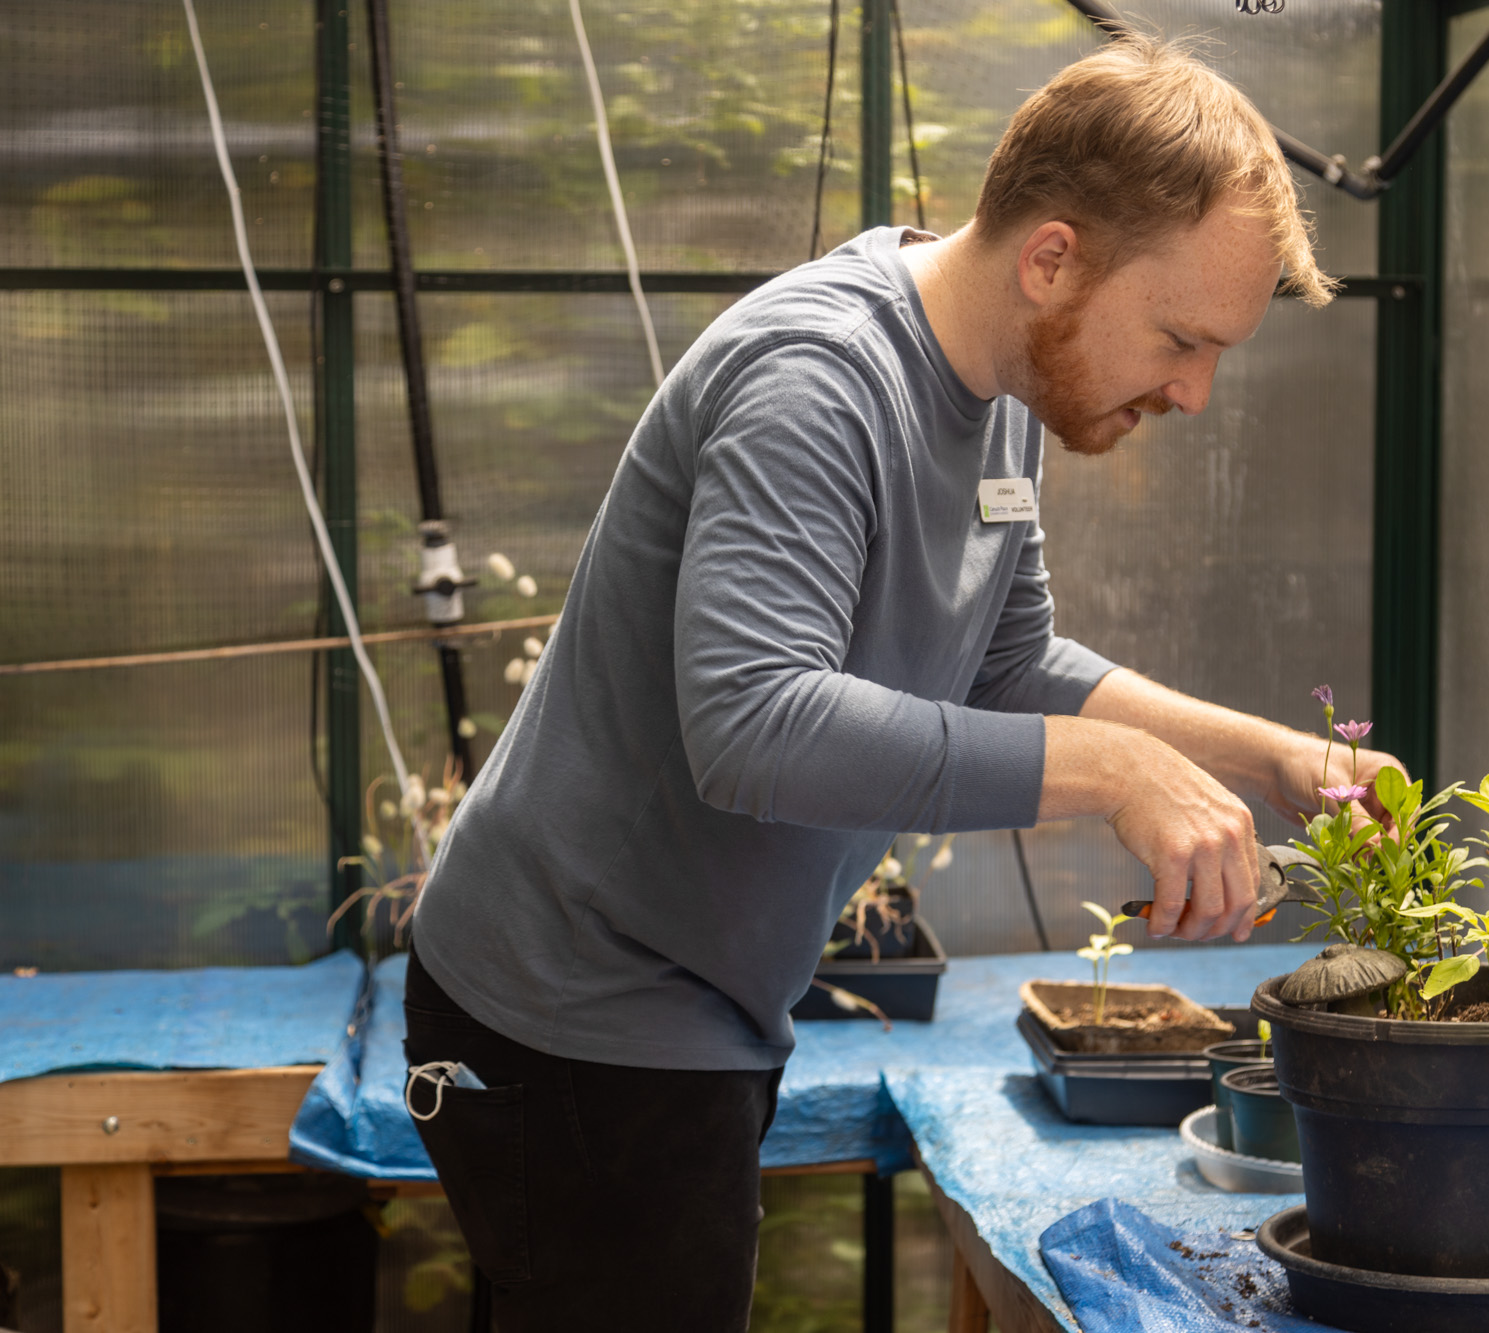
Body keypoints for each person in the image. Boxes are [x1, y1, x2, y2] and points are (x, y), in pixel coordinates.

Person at [405, 32, 1401, 1329]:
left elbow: (1009, 664)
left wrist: (1271, 758)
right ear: (1053, 259)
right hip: (574, 1016)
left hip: (688, 1005)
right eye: (1178, 338)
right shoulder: (816, 386)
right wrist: (1113, 773)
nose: (1197, 393)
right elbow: (753, 720)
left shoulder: (998, 393)